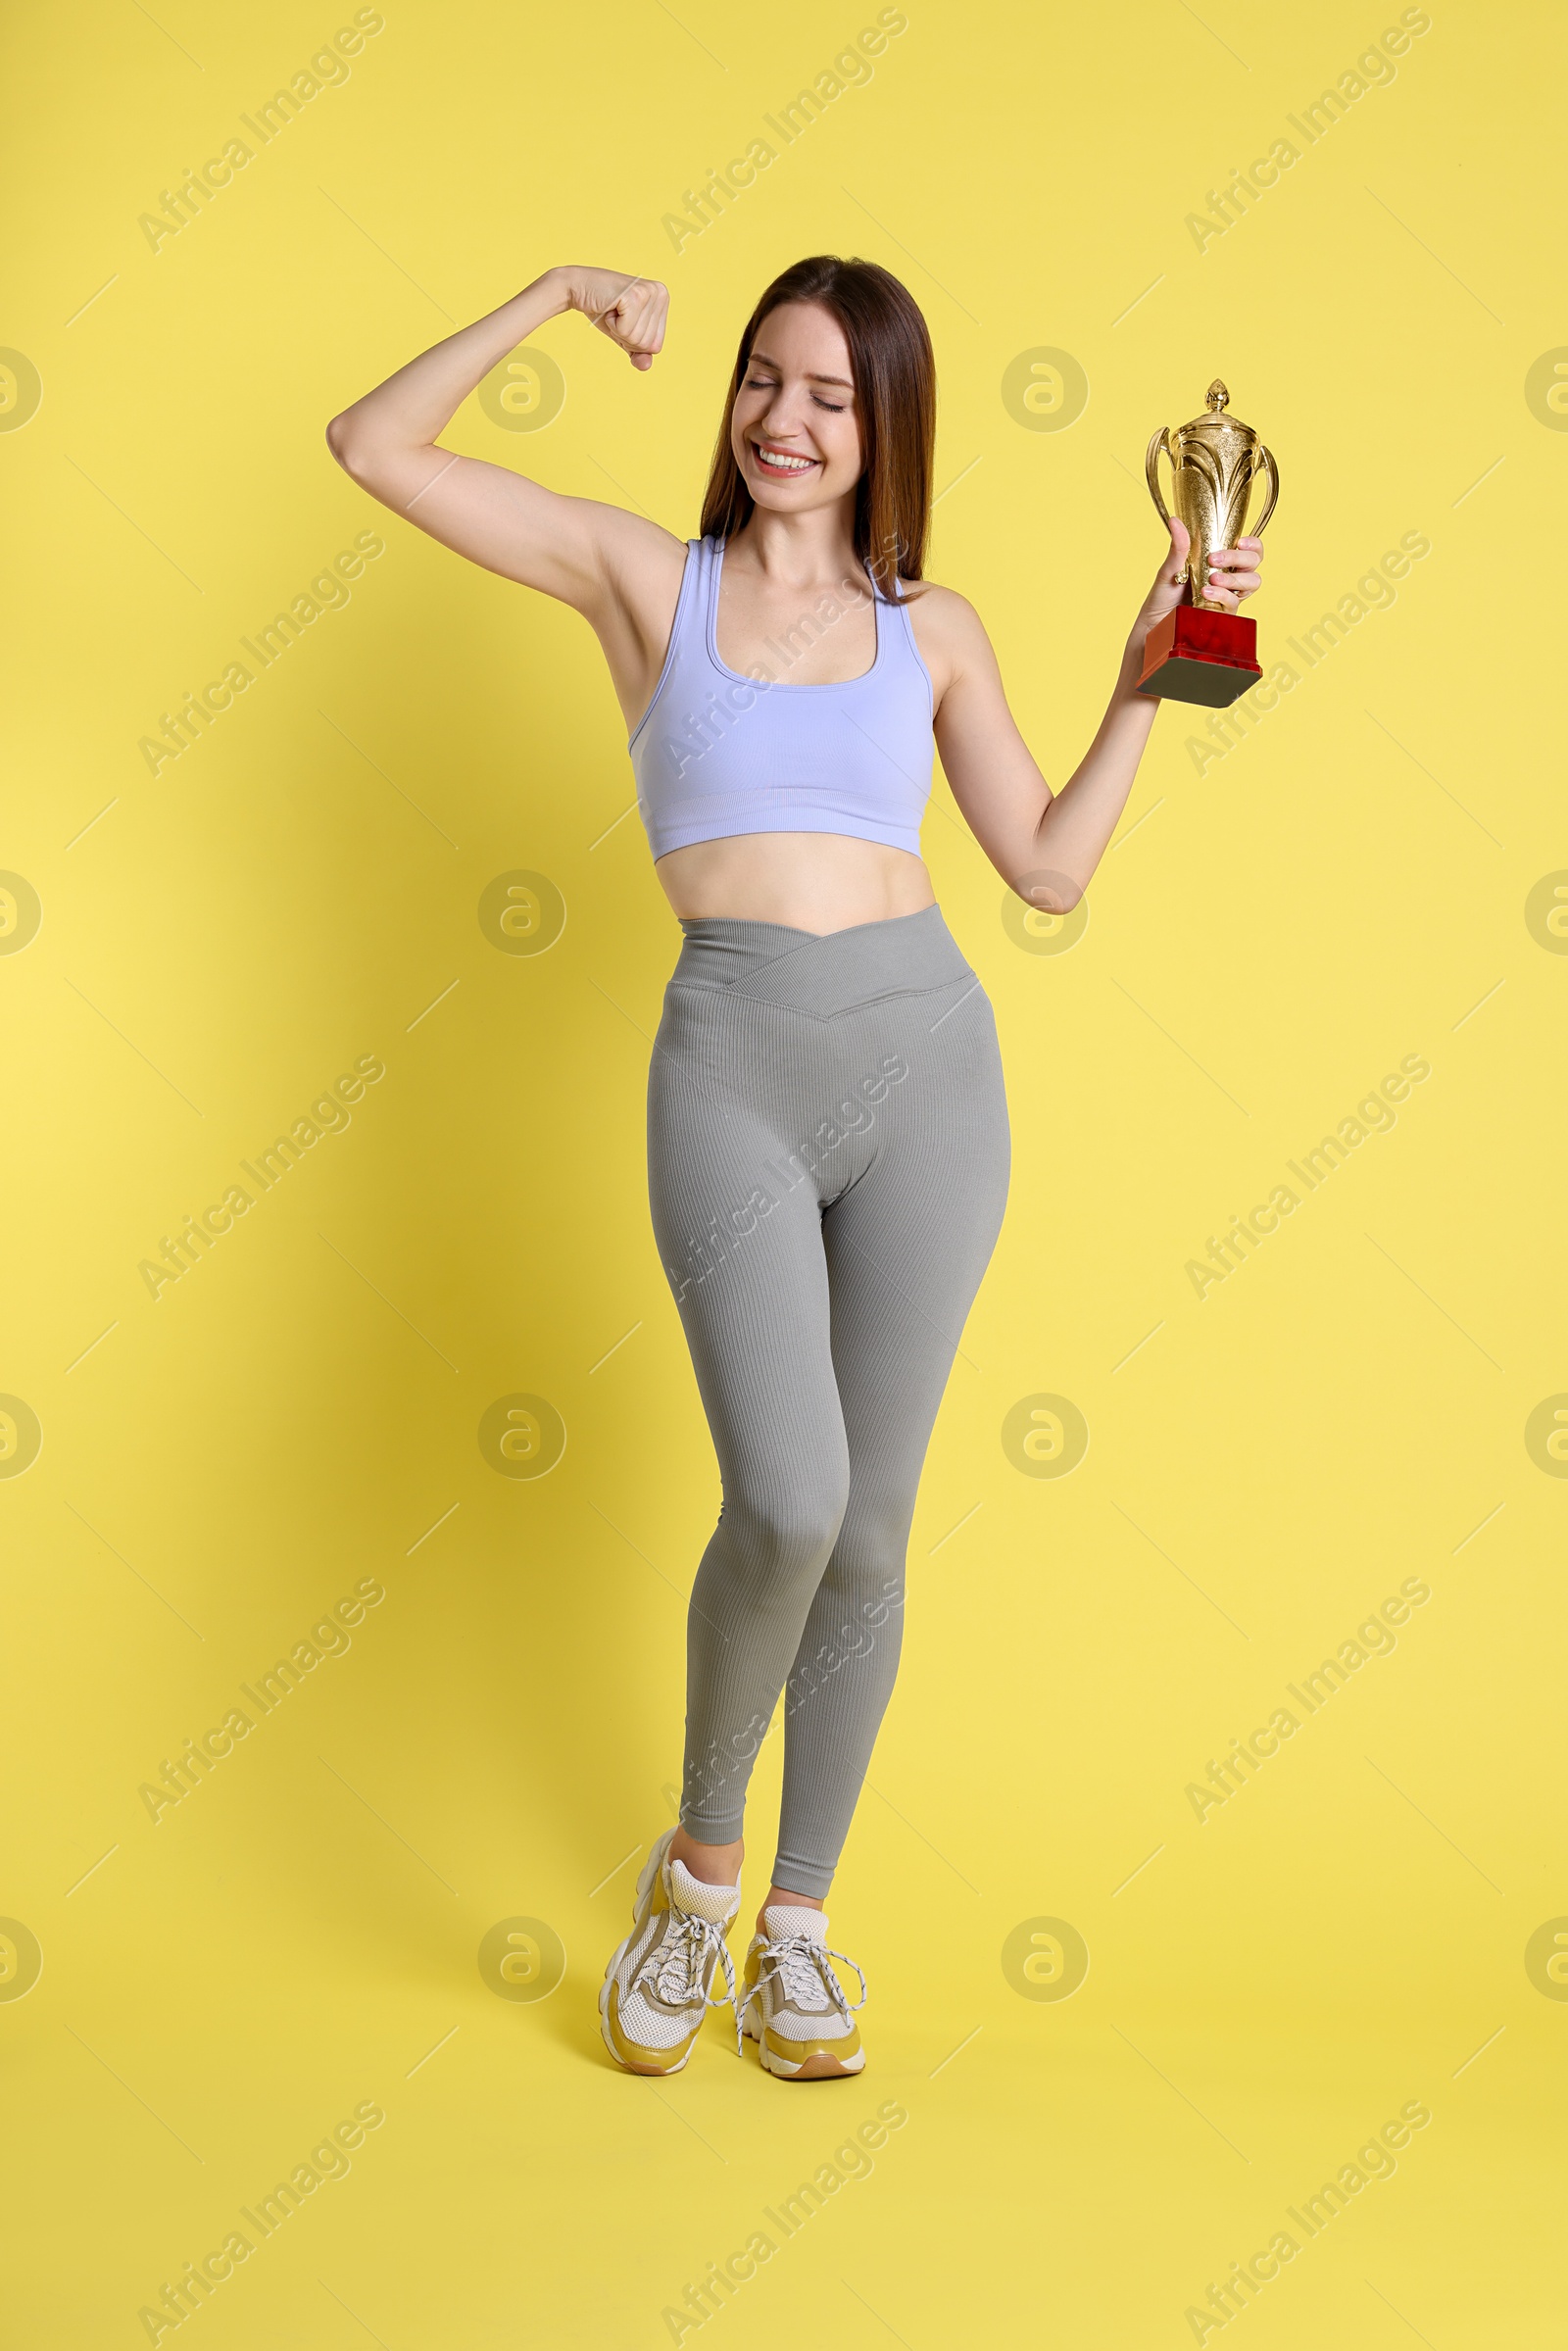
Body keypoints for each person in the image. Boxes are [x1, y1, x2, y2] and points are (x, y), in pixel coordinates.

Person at [326, 255, 1263, 2082]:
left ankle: (802, 1929)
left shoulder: (942, 630)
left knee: (878, 1522)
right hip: (732, 1065)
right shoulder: (640, 582)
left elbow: (1051, 869)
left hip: (932, 1065)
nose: (784, 420)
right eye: (765, 380)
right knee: (788, 1497)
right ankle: (698, 1876)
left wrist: (1155, 676)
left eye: (831, 395)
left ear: (887, 423)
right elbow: (373, 443)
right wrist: (545, 294)